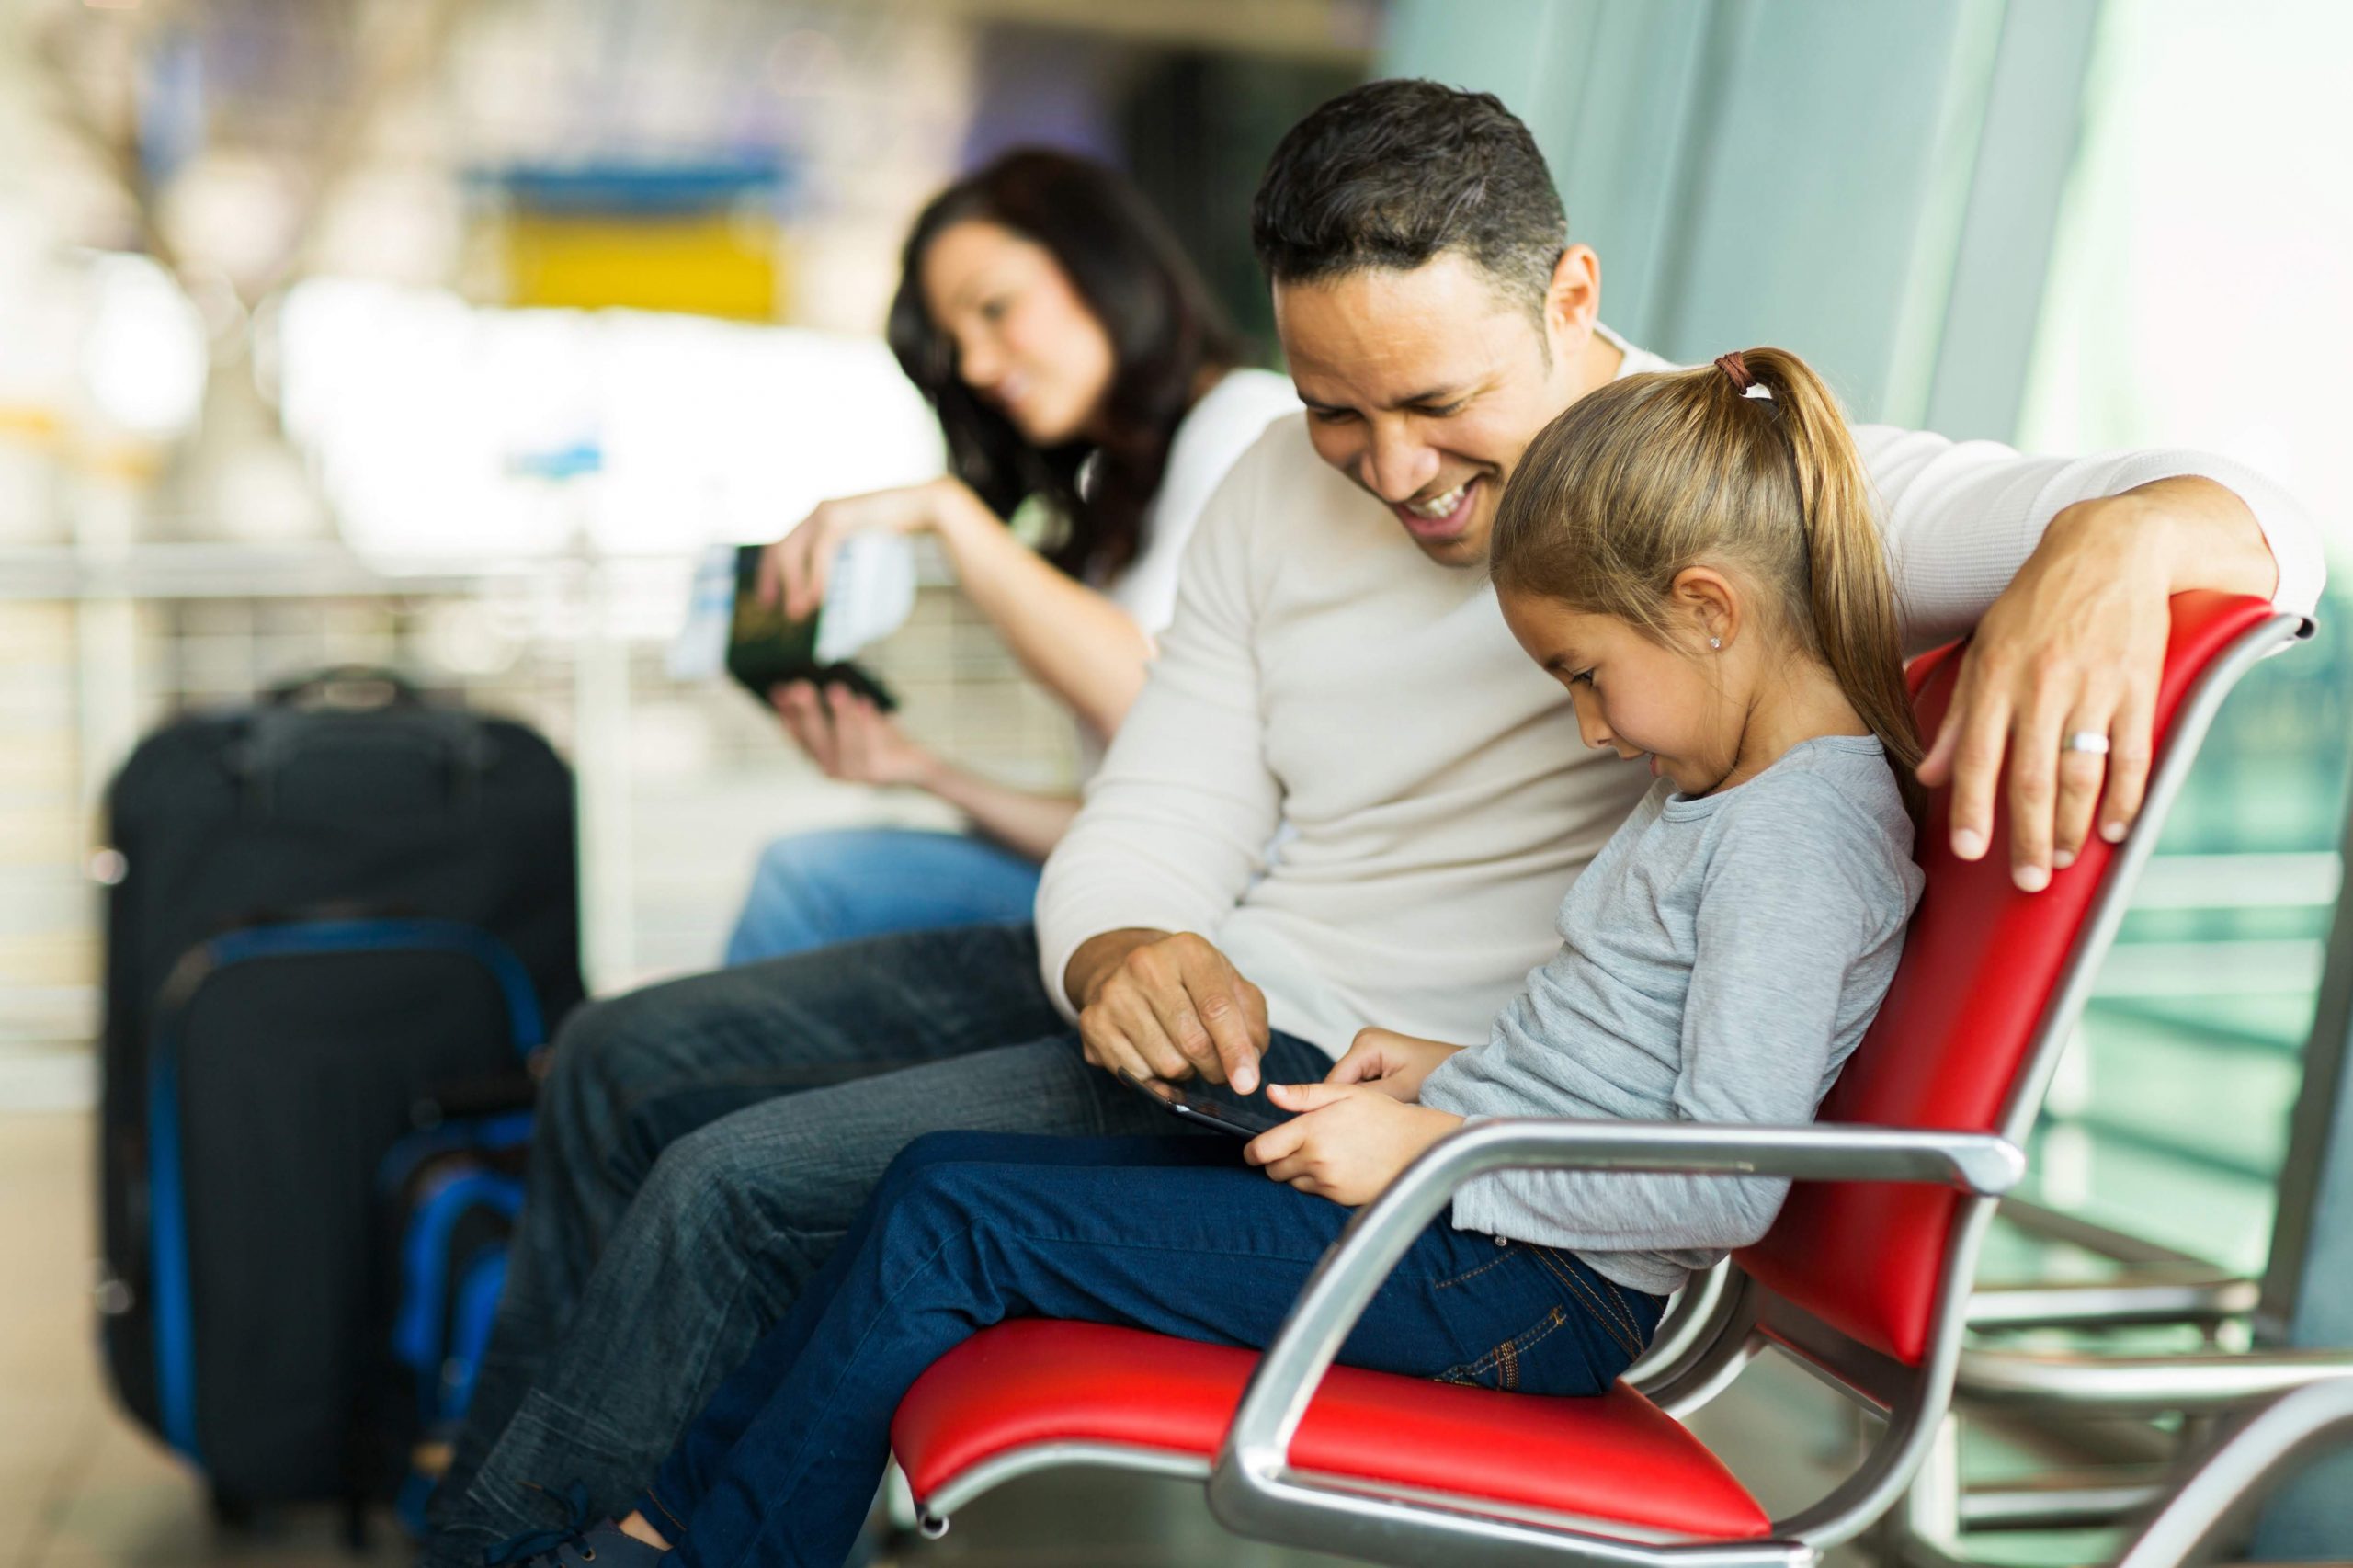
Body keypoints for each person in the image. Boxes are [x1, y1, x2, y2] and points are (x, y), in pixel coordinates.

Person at [423, 81, 2322, 1564]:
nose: (1392, 471)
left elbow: (2256, 509)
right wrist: (1121, 940)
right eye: (1339, 408)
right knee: (622, 1062)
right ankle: (526, 1507)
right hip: (1235, 999)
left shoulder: (1733, 501)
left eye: (1434, 402)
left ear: (1567, 298)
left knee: (741, 1185)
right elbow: (1163, 796)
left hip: (1404, 1106)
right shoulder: (1274, 478)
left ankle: (540, 1543)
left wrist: (2119, 543)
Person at [478, 342, 1930, 1568]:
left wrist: (1433, 1146)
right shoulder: (1725, 785)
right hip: (1470, 1202)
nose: (1591, 729)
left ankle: (682, 1546)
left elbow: (1725, 1174)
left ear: (1710, 607)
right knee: (933, 1180)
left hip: (1528, 1282)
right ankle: (662, 1528)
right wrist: (1440, 1073)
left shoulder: (1797, 835)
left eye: (1588, 678)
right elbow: (1626, 1048)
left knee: (952, 1221)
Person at [724, 148, 1296, 964]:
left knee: (811, 881)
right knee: (808, 874)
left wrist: (946, 511)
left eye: (994, 308)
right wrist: (922, 770)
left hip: (1231, 925)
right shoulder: (1122, 501)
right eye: (957, 345)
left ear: (1101, 263)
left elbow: (1155, 717)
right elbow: (1127, 821)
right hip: (1152, 890)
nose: (979, 367)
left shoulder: (1247, 424)